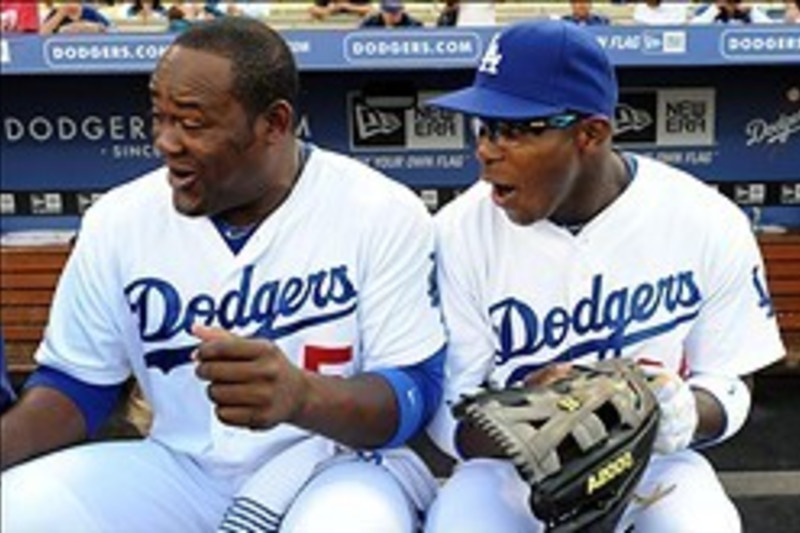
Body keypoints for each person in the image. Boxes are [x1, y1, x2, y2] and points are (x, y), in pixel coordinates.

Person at [1, 17, 446, 533]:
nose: (166, 142)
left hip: (341, 464)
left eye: (192, 124)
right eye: (159, 118)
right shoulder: (120, 220)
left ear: (274, 124)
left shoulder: (379, 209)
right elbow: (77, 386)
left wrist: (303, 397)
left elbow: (413, 393)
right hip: (184, 468)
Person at [422, 19, 785, 532]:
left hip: (654, 462)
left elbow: (731, 380)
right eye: (484, 127)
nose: (486, 148)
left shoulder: (703, 218)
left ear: (590, 133)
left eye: (514, 128)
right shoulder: (456, 234)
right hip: (508, 471)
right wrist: (530, 419)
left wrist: (677, 412)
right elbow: (444, 410)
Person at [690, 0, 774, 24]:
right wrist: (714, 10)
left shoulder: (750, 11)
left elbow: (772, 30)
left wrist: (752, 11)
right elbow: (691, 31)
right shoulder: (706, 9)